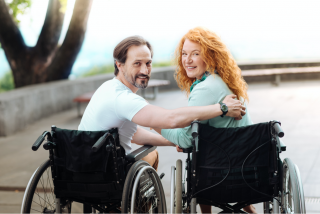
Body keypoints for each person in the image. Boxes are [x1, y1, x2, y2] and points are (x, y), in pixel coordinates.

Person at [78, 35, 246, 172]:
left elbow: (132, 133)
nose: (144, 71)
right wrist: (221, 108)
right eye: (137, 64)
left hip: (82, 167)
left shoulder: (107, 88)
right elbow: (171, 119)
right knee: (152, 155)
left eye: (148, 63)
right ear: (119, 65)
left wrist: (173, 141)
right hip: (108, 173)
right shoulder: (123, 98)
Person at [153, 27, 257, 213]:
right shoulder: (223, 81)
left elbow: (185, 140)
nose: (187, 60)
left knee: (198, 158)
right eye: (184, 54)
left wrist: (154, 124)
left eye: (195, 54)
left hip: (217, 173)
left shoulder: (204, 89)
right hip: (246, 168)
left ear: (210, 57)